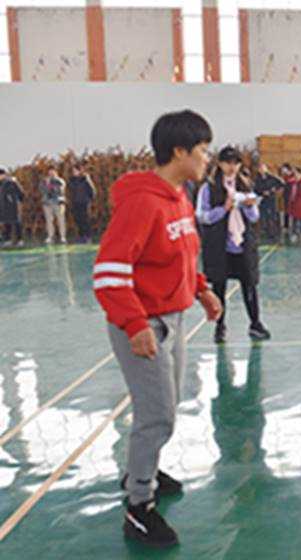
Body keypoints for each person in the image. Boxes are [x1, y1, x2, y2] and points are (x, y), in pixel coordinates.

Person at [93, 110, 223, 548]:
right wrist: (135, 324)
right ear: (179, 151)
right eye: (202, 150)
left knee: (166, 406)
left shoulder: (179, 197)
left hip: (173, 317)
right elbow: (109, 273)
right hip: (144, 323)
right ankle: (139, 506)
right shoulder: (142, 202)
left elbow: (184, 253)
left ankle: (141, 469)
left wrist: (201, 289)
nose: (207, 158)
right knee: (158, 415)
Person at [196, 146, 270, 344]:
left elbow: (254, 217)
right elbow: (202, 216)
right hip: (219, 245)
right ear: (220, 164)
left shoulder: (245, 185)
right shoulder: (208, 188)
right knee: (219, 287)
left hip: (243, 245)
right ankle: (220, 327)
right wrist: (223, 209)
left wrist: (249, 206)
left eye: (236, 163)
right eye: (228, 162)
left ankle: (255, 323)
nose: (232, 167)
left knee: (249, 285)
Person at [253, 162, 284, 243]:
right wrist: (262, 192)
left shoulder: (272, 177)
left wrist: (274, 191)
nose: (262, 170)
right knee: (263, 217)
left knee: (272, 217)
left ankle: (274, 235)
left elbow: (281, 184)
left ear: (266, 169)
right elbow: (255, 190)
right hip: (262, 200)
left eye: (263, 168)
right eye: (260, 168)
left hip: (271, 200)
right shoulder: (257, 179)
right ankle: (266, 233)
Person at [67, 163, 96, 243]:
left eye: (75, 170)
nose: (74, 172)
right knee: (78, 219)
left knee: (85, 219)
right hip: (75, 202)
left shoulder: (85, 179)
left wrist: (89, 199)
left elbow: (92, 190)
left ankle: (88, 236)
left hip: (84, 202)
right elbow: (70, 190)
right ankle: (81, 235)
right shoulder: (72, 180)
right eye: (73, 171)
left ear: (80, 171)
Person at [40, 166, 67, 244]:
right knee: (49, 220)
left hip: (58, 202)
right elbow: (42, 190)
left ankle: (62, 236)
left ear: (56, 172)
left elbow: (60, 191)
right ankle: (50, 236)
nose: (51, 173)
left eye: (53, 171)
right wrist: (47, 184)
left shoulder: (60, 181)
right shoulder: (44, 181)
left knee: (61, 220)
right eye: (49, 171)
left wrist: (50, 186)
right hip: (47, 203)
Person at [0, 167, 25, 247]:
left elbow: (21, 193)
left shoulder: (11, 182)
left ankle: (20, 240)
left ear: (3, 175)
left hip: (13, 206)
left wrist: (17, 201)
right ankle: (8, 240)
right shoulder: (1, 183)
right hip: (4, 206)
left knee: (17, 223)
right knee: (6, 223)